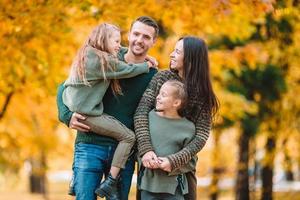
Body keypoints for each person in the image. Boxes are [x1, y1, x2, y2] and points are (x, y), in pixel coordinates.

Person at [57, 16, 159, 200]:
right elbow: (65, 86)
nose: (139, 40)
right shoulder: (107, 56)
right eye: (136, 34)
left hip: (123, 155)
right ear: (129, 34)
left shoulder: (153, 76)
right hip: (89, 144)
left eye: (146, 37)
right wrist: (66, 115)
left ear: (154, 41)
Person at [134, 36, 219, 200]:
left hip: (183, 171)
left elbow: (201, 136)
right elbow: (141, 112)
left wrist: (175, 160)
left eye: (177, 51)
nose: (171, 55)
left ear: (191, 59)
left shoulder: (203, 92)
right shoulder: (161, 78)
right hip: (151, 166)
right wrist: (146, 150)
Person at [138, 80, 196, 200]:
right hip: (148, 186)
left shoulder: (188, 127)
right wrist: (144, 158)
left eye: (163, 95)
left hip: (175, 189)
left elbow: (191, 162)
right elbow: (138, 147)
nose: (158, 97)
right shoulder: (148, 118)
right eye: (158, 93)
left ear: (176, 102)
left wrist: (171, 162)